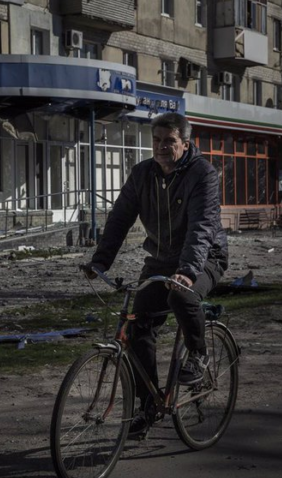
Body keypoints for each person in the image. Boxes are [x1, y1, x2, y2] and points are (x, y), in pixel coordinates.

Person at [82, 112, 228, 439]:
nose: (161, 147)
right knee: (135, 324)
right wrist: (100, 262)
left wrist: (188, 273)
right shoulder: (142, 174)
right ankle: (148, 407)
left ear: (185, 144)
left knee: (181, 295)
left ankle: (199, 354)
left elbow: (201, 229)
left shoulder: (202, 175)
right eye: (157, 141)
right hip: (162, 259)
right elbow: (119, 218)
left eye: (170, 142)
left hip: (205, 257)